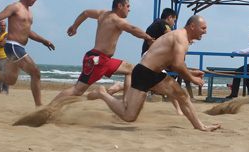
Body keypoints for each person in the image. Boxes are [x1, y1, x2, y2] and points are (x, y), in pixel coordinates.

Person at [87, 15, 220, 132]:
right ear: (192, 26)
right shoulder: (181, 37)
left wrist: (191, 72)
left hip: (155, 73)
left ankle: (200, 126)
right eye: (203, 28)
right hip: (144, 73)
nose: (205, 32)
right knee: (129, 116)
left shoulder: (180, 37)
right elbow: (178, 65)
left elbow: (171, 64)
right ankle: (102, 93)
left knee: (182, 96)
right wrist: (192, 78)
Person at [51, 0, 154, 104]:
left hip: (105, 60)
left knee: (131, 70)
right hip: (97, 60)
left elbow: (85, 13)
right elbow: (133, 29)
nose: (129, 9)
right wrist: (148, 37)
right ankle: (47, 109)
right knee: (77, 90)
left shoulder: (103, 13)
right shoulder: (117, 20)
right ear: (120, 6)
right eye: (127, 6)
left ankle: (125, 103)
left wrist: (75, 26)